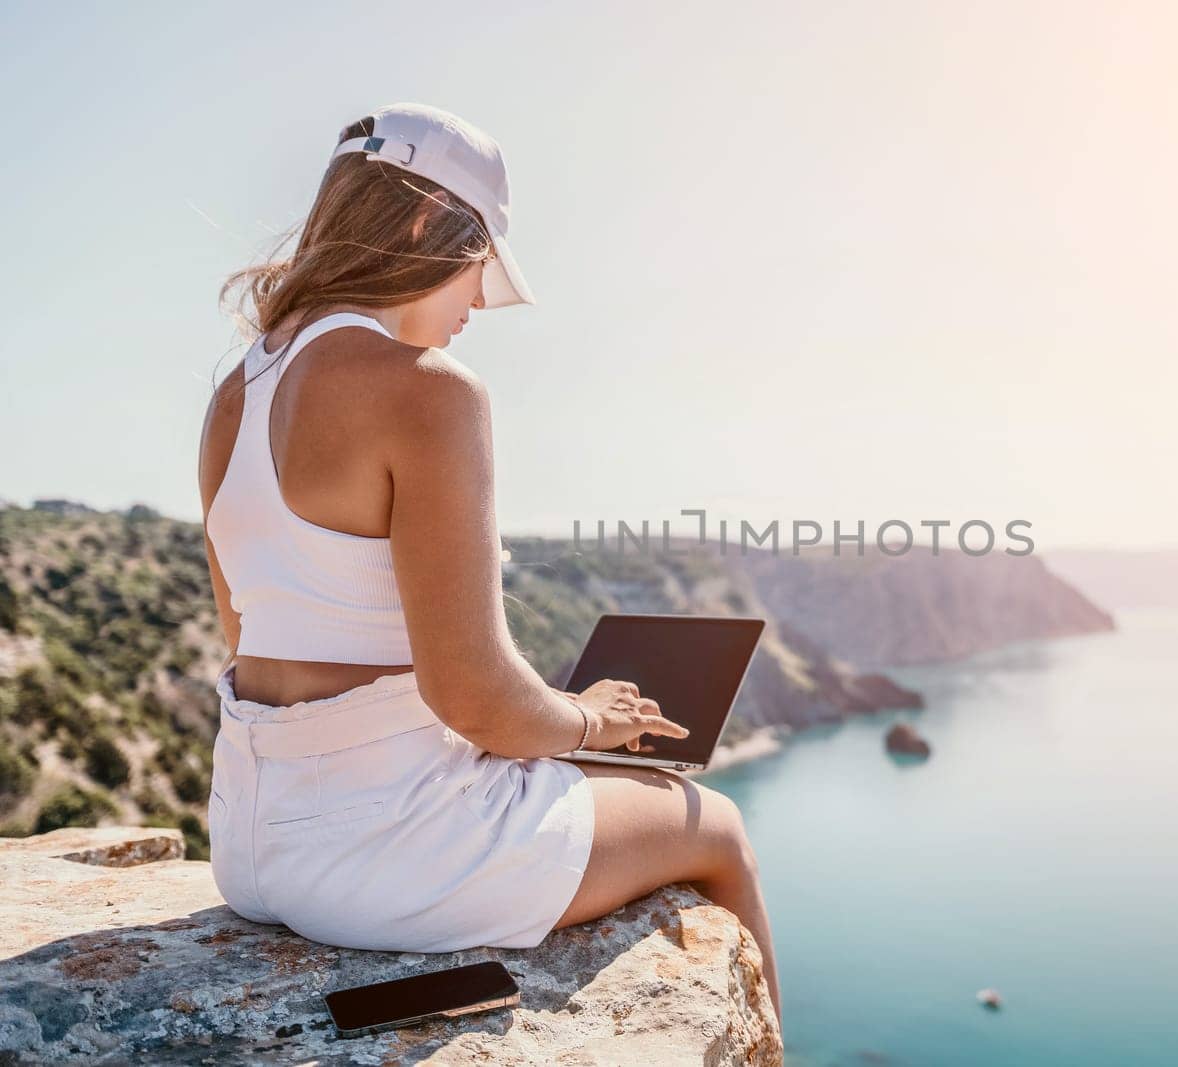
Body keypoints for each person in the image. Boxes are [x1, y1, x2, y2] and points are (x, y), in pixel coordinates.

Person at [198, 102, 780, 1023]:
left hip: (248, 843)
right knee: (716, 824)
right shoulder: (428, 392)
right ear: (431, 225)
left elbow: (246, 632)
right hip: (388, 857)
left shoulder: (236, 393)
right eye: (482, 269)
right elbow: (472, 698)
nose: (477, 304)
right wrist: (588, 720)